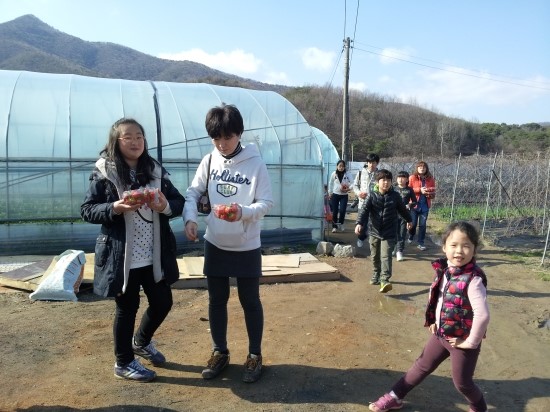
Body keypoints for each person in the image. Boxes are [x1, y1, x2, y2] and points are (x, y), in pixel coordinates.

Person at [81, 118, 185, 382]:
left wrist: (163, 205)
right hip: (122, 255)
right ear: (116, 141)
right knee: (127, 308)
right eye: (128, 137)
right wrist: (115, 207)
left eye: (139, 136)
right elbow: (87, 210)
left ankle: (141, 341)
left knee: (163, 302)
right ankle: (123, 362)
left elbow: (178, 202)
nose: (136, 141)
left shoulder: (154, 171)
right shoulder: (104, 173)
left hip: (153, 253)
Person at [183, 104, 273, 383]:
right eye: (216, 138)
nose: (222, 144)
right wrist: (190, 218)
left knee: (250, 301)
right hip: (215, 242)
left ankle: (255, 355)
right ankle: (219, 352)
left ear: (239, 133)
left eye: (228, 137)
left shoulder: (255, 163)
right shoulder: (209, 161)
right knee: (216, 300)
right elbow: (193, 192)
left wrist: (242, 212)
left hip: (247, 244)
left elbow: (266, 202)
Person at [368, 221, 490, 412]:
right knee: (421, 366)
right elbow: (437, 296)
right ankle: (394, 397)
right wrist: (433, 319)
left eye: (466, 246)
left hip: (461, 341)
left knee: (463, 383)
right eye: (454, 245)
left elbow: (482, 315)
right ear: (444, 247)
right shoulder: (445, 270)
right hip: (441, 334)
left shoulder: (473, 280)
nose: (459, 251)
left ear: (474, 249)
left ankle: (479, 407)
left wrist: (471, 342)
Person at [354, 169, 412, 293]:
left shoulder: (395, 196)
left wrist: (409, 220)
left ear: (391, 182)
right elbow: (364, 211)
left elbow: (403, 210)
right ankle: (376, 273)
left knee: (386, 256)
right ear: (377, 182)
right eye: (383, 180)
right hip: (374, 231)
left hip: (389, 232)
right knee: (375, 256)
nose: (386, 182)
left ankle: (384, 279)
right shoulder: (372, 195)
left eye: (388, 180)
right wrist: (359, 223)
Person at [353, 153, 380, 247]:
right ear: (367, 163)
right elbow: (355, 185)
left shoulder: (379, 174)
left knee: (373, 222)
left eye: (374, 162)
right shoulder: (360, 173)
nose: (372, 165)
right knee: (362, 222)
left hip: (375, 203)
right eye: (370, 162)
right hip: (362, 202)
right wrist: (359, 193)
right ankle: (361, 237)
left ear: (377, 163)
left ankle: (373, 240)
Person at [408, 160, 436, 251]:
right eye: (420, 167)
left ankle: (421, 243)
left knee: (422, 225)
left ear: (426, 169)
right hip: (414, 205)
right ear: (417, 168)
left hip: (425, 205)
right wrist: (419, 190)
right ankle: (411, 235)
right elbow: (408, 189)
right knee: (413, 224)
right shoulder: (412, 177)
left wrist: (429, 192)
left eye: (424, 167)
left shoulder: (430, 178)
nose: (422, 168)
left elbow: (433, 191)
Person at [393, 171, 416, 262]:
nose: (400, 179)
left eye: (403, 178)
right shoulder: (393, 188)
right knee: (394, 232)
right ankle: (394, 248)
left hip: (404, 215)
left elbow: (414, 202)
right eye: (399, 177)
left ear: (407, 179)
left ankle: (399, 251)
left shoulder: (409, 190)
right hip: (393, 214)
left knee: (402, 233)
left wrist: (409, 205)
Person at [327, 160, 353, 233]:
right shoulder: (334, 174)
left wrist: (348, 188)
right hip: (335, 195)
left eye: (342, 166)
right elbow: (331, 183)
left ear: (344, 167)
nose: (341, 168)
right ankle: (334, 226)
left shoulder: (347, 174)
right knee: (335, 211)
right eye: (340, 166)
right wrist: (330, 192)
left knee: (342, 210)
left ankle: (341, 223)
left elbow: (353, 183)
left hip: (344, 195)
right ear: (337, 166)